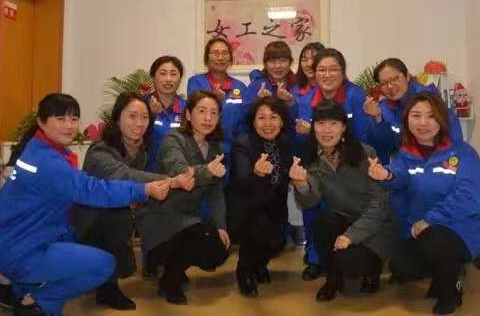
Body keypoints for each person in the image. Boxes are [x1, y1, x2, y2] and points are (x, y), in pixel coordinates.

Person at [0, 93, 170, 316]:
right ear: (42, 122)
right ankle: (37, 302)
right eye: (60, 119)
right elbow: (93, 190)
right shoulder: (49, 161)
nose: (69, 126)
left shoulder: (39, 148)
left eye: (73, 119)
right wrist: (144, 189)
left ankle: (10, 284)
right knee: (104, 265)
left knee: (91, 234)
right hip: (22, 248)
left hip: (21, 238)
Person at [369, 92, 480, 315]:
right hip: (421, 230)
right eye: (416, 115)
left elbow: (468, 198)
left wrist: (430, 219)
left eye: (431, 116)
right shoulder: (405, 154)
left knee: (434, 238)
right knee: (401, 267)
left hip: (462, 230)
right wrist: (385, 174)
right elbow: (400, 175)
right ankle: (444, 269)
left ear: (442, 120)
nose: (423, 123)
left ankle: (451, 291)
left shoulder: (463, 153)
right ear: (407, 119)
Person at [72, 92, 194, 310]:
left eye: (144, 117)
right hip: (92, 220)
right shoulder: (100, 150)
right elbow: (125, 176)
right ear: (117, 118)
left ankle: (160, 265)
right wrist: (171, 181)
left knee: (169, 212)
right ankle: (106, 287)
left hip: (124, 212)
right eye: (132, 116)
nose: (139, 123)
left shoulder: (141, 148)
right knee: (120, 225)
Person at [290, 101, 394, 302]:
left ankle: (372, 270)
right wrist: (301, 185)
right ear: (313, 127)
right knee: (323, 221)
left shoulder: (365, 153)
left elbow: (380, 205)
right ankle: (332, 279)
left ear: (344, 127)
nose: (326, 130)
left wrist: (350, 236)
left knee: (349, 263)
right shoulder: (311, 158)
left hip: (374, 227)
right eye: (321, 123)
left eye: (333, 123)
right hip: (343, 221)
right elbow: (310, 201)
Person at [135, 90, 230, 305]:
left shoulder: (215, 147)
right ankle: (169, 280)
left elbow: (215, 192)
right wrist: (208, 171)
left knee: (217, 248)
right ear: (188, 114)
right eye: (202, 111)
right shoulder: (173, 138)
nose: (208, 118)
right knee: (199, 235)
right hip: (160, 215)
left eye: (214, 113)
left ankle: (173, 268)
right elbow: (180, 172)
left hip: (187, 218)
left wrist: (221, 226)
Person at [295, 47, 381, 281]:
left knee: (355, 207)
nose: (327, 75)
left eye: (334, 69)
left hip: (352, 162)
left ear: (343, 72)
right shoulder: (305, 100)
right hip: (319, 161)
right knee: (312, 205)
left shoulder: (356, 95)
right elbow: (306, 140)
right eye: (321, 70)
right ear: (314, 73)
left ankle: (360, 251)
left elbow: (362, 137)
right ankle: (316, 258)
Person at [363, 58, 464, 240]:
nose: (390, 87)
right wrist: (377, 119)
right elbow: (386, 144)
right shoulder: (385, 107)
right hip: (406, 172)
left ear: (407, 76)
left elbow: (454, 141)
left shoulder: (430, 100)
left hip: (437, 170)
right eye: (384, 83)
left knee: (437, 223)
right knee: (405, 222)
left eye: (394, 79)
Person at [226, 97, 292, 297]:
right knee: (259, 229)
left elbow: (285, 176)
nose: (268, 123)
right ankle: (244, 271)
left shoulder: (284, 142)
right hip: (246, 206)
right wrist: (256, 173)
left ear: (282, 121)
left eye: (274, 117)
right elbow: (241, 182)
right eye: (261, 118)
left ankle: (258, 265)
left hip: (273, 205)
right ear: (253, 122)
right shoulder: (243, 143)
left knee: (279, 242)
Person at [187, 37, 247, 161]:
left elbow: (244, 120)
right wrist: (214, 98)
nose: (220, 58)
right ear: (207, 58)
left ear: (230, 58)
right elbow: (193, 115)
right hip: (203, 150)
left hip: (233, 151)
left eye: (224, 53)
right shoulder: (195, 82)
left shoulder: (240, 87)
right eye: (215, 53)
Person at [238, 41, 297, 134]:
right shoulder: (257, 84)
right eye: (272, 61)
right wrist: (258, 101)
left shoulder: (298, 84)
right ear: (265, 64)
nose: (277, 66)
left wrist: (290, 103)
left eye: (282, 60)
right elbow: (242, 117)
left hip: (291, 139)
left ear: (290, 62)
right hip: (260, 138)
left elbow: (302, 118)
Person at [145, 55, 187, 171]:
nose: (168, 79)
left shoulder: (187, 109)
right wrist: (150, 116)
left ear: (180, 78)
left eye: (173, 74)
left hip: (178, 173)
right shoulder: (142, 105)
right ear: (153, 77)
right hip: (146, 174)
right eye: (163, 73)